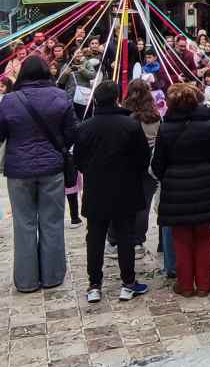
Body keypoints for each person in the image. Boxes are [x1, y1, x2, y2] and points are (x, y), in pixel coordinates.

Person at [0, 55, 74, 293]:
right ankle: (53, 276)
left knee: (23, 223)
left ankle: (26, 280)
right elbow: (71, 133)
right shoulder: (59, 96)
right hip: (52, 168)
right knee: (52, 222)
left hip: (19, 170)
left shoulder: (9, 100)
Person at [74, 81, 151, 302]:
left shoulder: (85, 127)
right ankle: (128, 282)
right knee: (125, 235)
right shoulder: (130, 125)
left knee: (95, 236)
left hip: (96, 188)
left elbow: (77, 160)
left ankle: (94, 284)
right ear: (117, 98)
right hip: (124, 188)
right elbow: (143, 158)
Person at [152, 82, 210, 297]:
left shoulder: (165, 129)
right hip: (205, 187)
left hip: (176, 190)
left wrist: (169, 178)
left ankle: (185, 285)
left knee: (181, 238)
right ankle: (203, 284)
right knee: (205, 237)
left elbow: (158, 164)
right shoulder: (209, 126)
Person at [110, 79, 161, 258]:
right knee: (143, 205)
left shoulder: (122, 117)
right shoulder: (155, 117)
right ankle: (137, 241)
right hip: (148, 167)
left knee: (122, 202)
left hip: (127, 166)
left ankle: (116, 239)